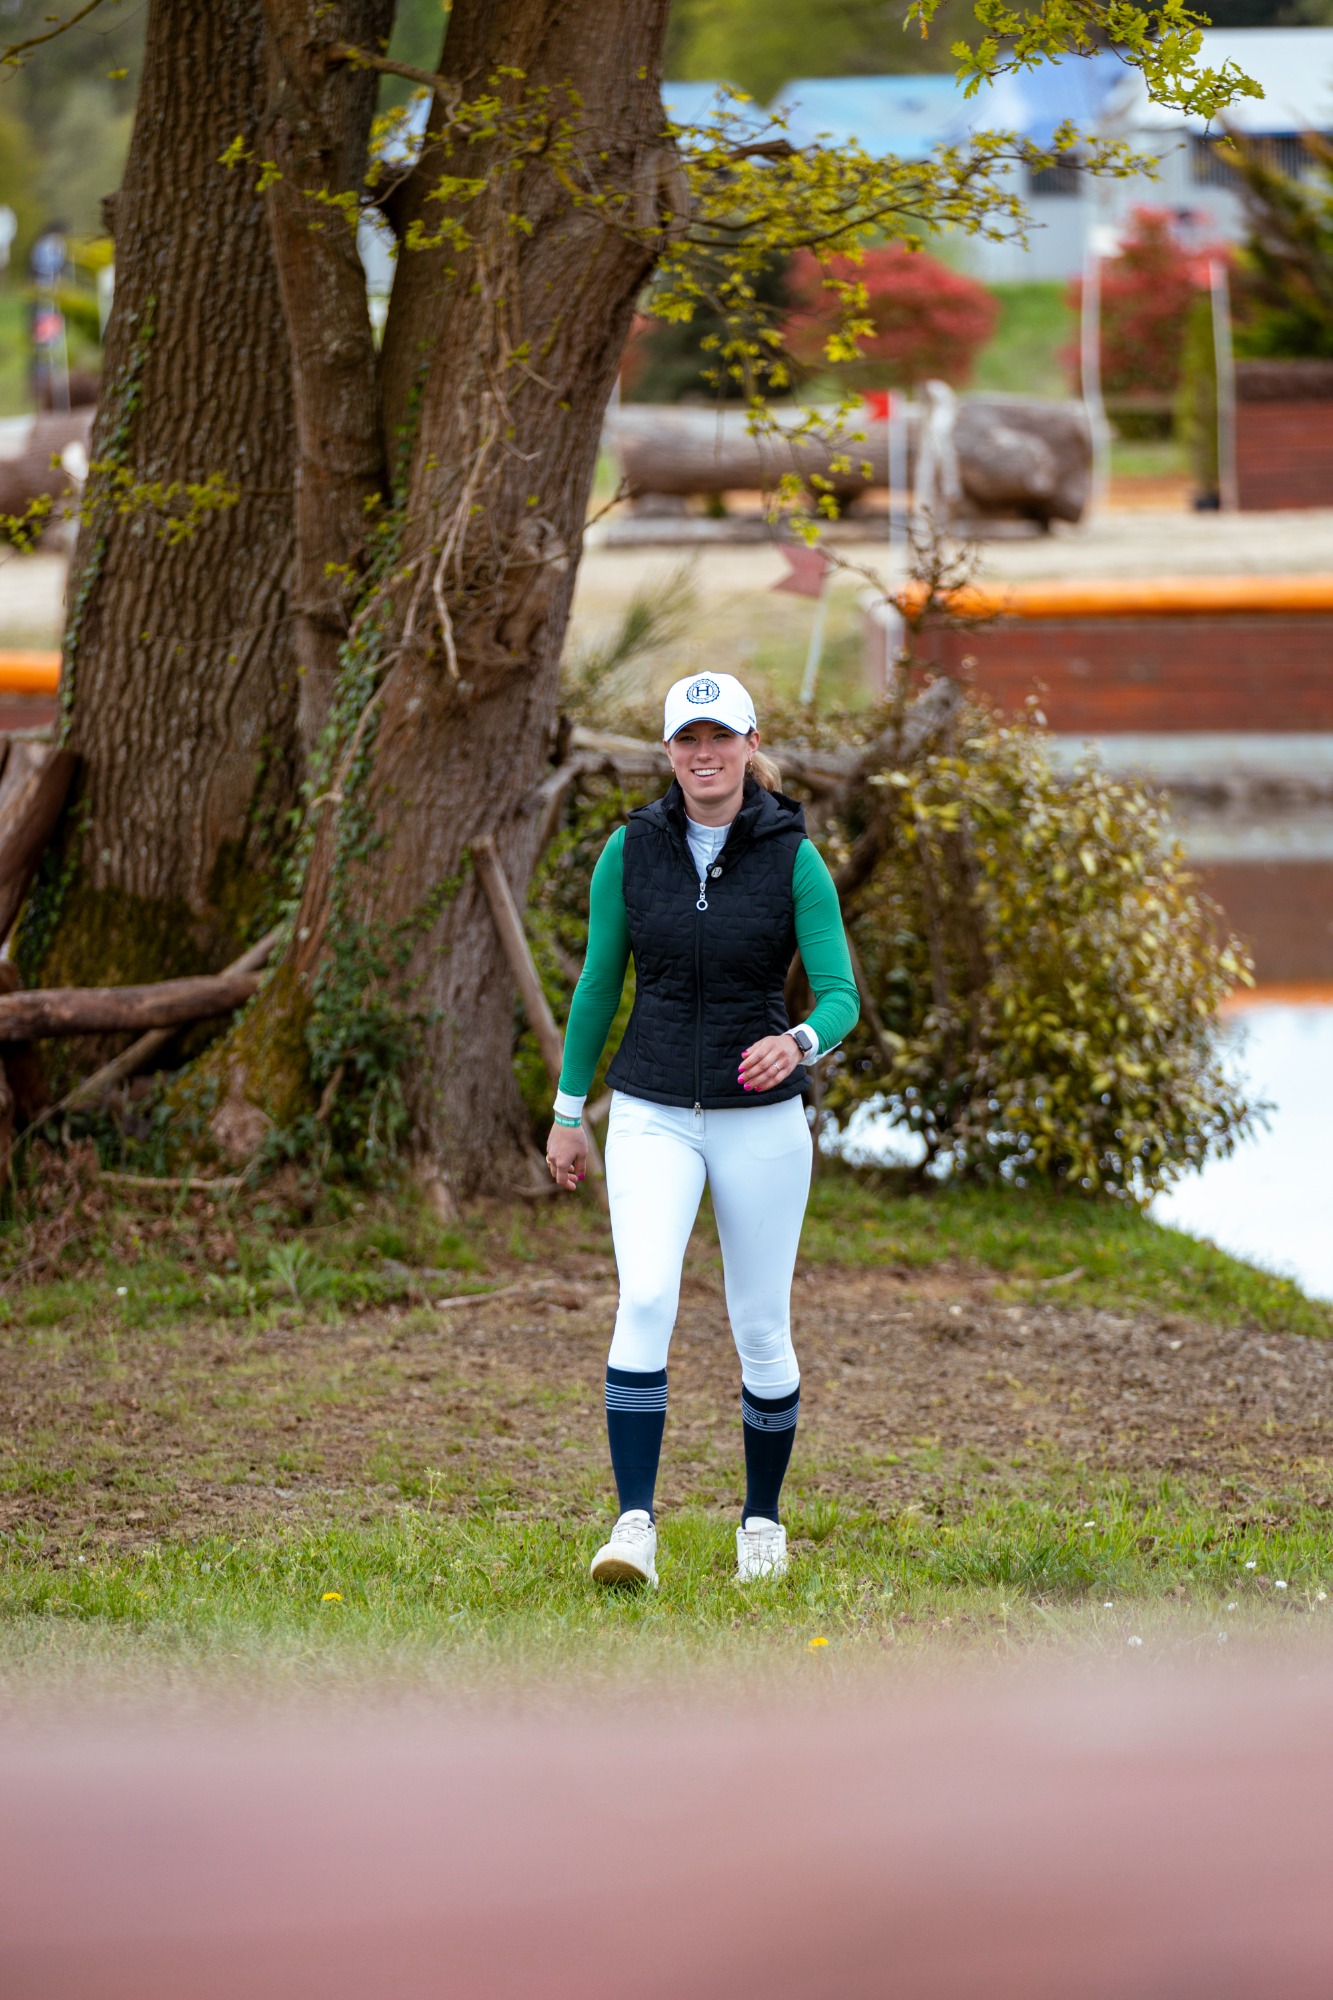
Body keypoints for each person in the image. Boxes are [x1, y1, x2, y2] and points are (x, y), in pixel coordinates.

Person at [546, 671, 860, 1587]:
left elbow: (839, 995)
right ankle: (632, 1526)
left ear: (750, 745)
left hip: (760, 1122)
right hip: (649, 1113)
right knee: (644, 1298)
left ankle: (760, 1522)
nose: (704, 753)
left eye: (721, 737)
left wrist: (797, 1042)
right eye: (688, 739)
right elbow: (598, 984)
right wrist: (567, 1112)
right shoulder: (629, 850)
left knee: (759, 1325)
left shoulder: (793, 857)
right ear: (668, 752)